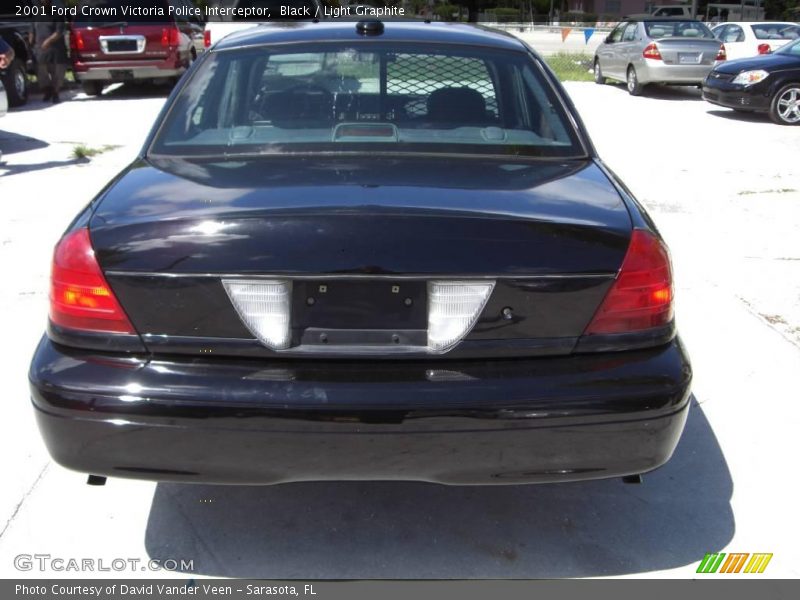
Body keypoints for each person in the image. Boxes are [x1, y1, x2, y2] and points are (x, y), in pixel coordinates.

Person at [31, 0, 69, 104]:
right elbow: (32, 30)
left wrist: (48, 41)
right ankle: (47, 91)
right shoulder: (36, 14)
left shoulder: (57, 13)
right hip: (40, 49)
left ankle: (56, 93)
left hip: (56, 49)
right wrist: (31, 43)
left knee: (57, 72)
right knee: (41, 72)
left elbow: (59, 31)